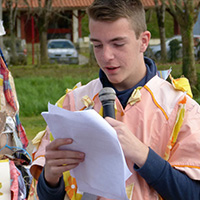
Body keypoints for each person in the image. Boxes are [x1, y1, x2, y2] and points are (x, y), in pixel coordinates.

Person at [30, 0, 200, 199]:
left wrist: (144, 156)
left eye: (118, 44)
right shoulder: (71, 104)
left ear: (143, 41)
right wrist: (50, 178)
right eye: (97, 45)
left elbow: (193, 194)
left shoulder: (180, 108)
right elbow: (44, 195)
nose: (106, 56)